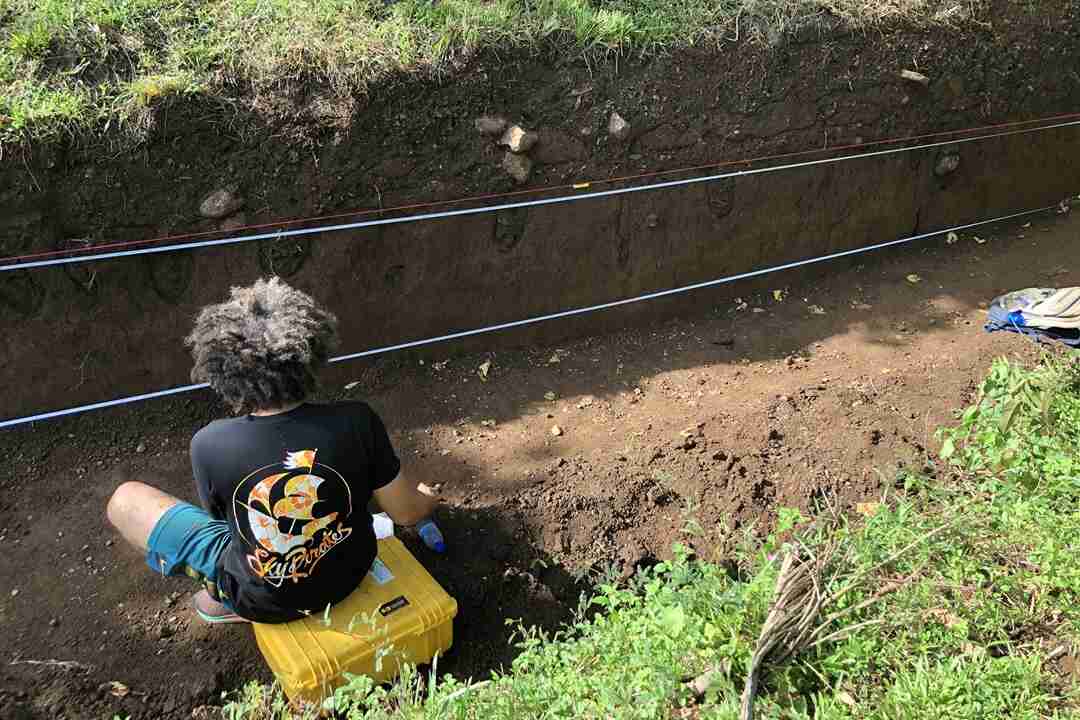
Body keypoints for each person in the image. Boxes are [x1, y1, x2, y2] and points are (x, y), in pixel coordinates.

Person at [106, 277, 439, 624]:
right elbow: (407, 513)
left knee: (124, 500)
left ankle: (227, 596)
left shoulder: (209, 444)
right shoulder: (356, 420)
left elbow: (227, 525)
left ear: (223, 369)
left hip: (262, 601)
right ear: (310, 352)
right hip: (352, 574)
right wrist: (430, 498)